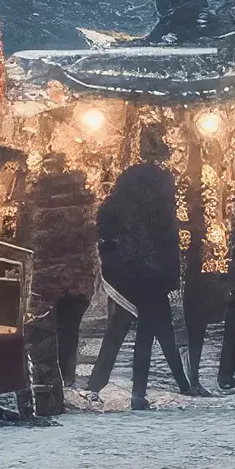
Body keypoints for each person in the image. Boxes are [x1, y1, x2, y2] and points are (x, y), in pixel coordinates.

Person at [82, 137, 191, 405]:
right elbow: (168, 241)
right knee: (155, 331)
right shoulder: (162, 205)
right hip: (153, 275)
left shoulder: (116, 203)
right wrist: (172, 277)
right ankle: (152, 390)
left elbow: (102, 231)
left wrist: (113, 263)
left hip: (124, 277)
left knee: (117, 330)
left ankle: (98, 384)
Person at [21, 148, 96, 408]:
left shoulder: (36, 199)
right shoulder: (81, 199)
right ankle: (66, 376)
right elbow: (88, 238)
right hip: (74, 279)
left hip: (48, 280)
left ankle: (49, 380)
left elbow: (31, 239)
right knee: (68, 330)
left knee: (45, 331)